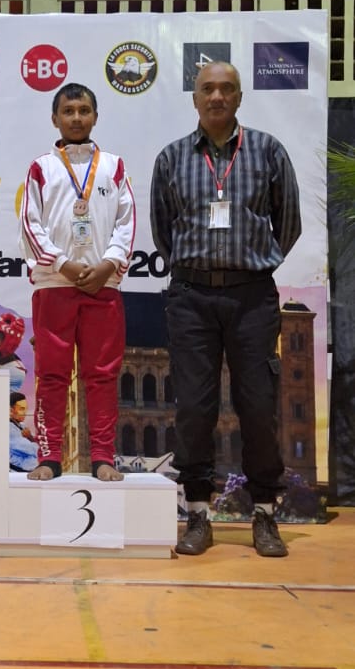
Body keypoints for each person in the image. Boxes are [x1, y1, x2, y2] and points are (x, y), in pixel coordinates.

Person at [149, 59, 302, 557]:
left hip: (252, 296)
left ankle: (265, 513)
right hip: (191, 299)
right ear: (195, 99)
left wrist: (253, 263)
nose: (217, 97)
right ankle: (197, 512)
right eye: (208, 89)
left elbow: (288, 223)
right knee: (194, 408)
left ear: (239, 97)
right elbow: (163, 230)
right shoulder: (172, 158)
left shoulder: (267, 151)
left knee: (257, 406)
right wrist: (195, 270)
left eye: (227, 89)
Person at [20, 82, 136, 482]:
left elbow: (126, 222)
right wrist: (63, 265)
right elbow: (30, 225)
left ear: (95, 117)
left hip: (103, 286)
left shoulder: (114, 166)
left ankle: (102, 457)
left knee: (101, 374)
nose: (76, 118)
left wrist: (109, 265)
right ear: (55, 118)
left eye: (84, 111)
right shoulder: (42, 168)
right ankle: (49, 456)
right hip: (54, 284)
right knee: (52, 375)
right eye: (68, 111)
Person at [9, 390, 39, 473]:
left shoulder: (21, 425)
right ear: (11, 410)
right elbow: (34, 450)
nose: (25, 412)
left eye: (26, 409)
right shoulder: (9, 429)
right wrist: (31, 439)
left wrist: (30, 438)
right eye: (21, 409)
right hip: (18, 473)